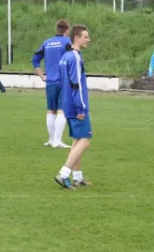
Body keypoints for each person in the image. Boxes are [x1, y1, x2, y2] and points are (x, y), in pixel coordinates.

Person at [54, 25, 93, 189]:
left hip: (67, 103)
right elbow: (76, 85)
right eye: (85, 37)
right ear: (76, 38)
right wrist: (81, 108)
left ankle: (77, 177)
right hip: (76, 106)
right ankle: (63, 174)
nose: (88, 40)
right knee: (84, 141)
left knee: (78, 140)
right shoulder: (75, 58)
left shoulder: (65, 56)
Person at [31, 20, 72, 148]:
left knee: (51, 110)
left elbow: (35, 59)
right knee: (62, 111)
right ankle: (57, 141)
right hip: (64, 81)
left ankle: (51, 139)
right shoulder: (68, 42)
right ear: (67, 30)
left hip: (50, 82)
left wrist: (41, 75)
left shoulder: (47, 43)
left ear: (56, 29)